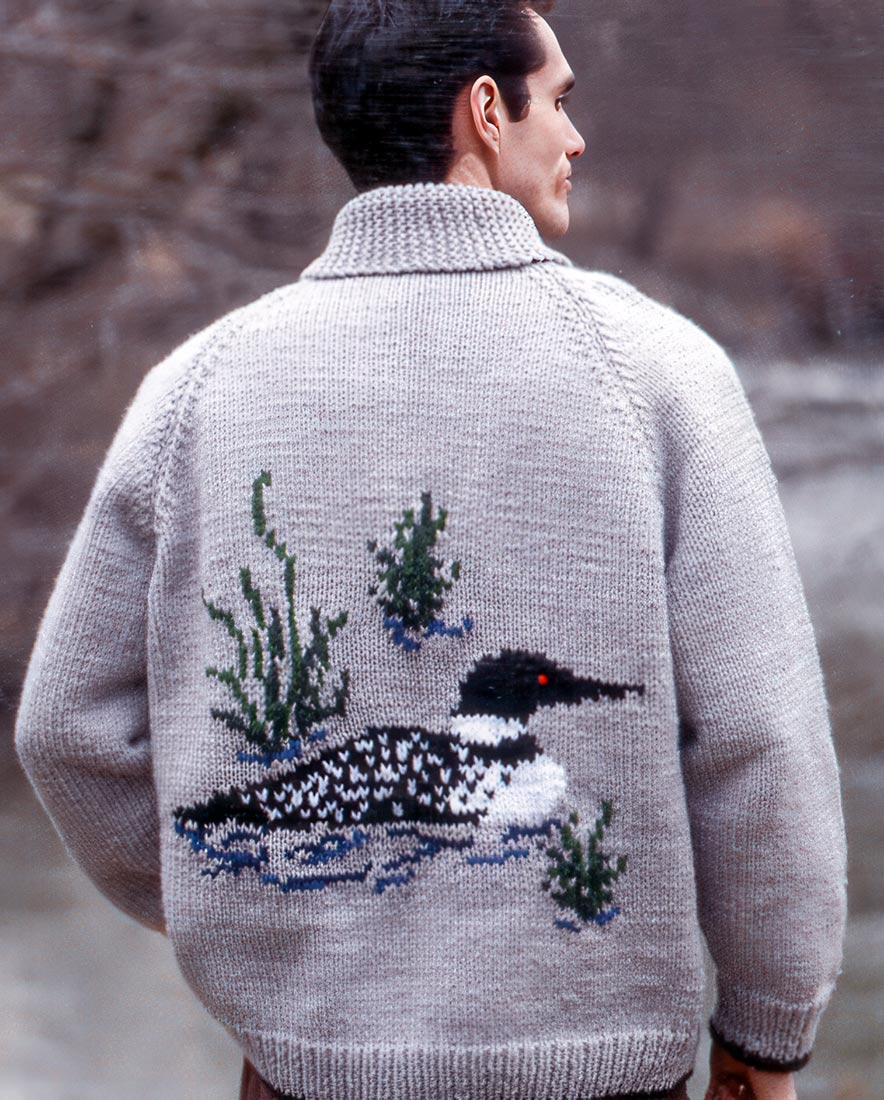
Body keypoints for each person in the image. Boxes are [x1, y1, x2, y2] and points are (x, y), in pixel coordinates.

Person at [14, 2, 847, 1099]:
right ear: (486, 111)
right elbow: (759, 739)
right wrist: (766, 1030)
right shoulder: (658, 375)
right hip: (600, 1078)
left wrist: (244, 908)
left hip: (305, 1071)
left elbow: (64, 728)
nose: (576, 136)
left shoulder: (196, 390)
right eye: (558, 101)